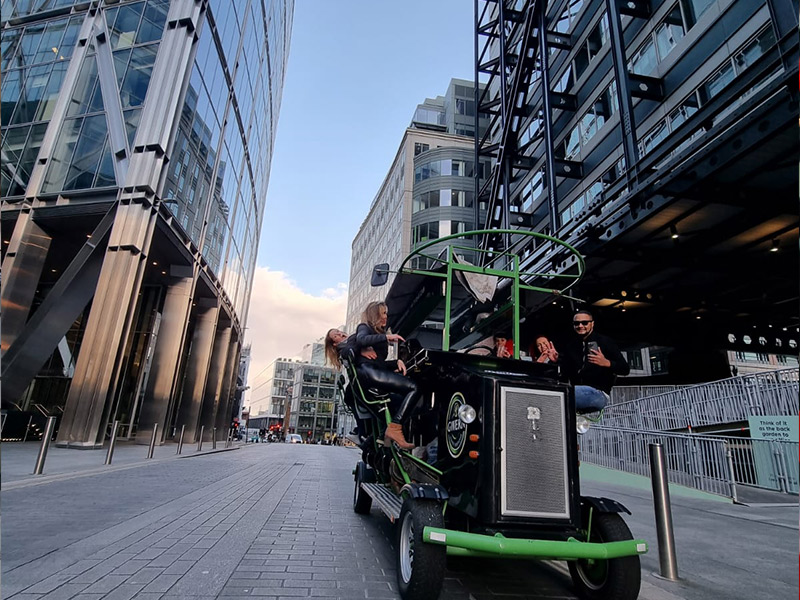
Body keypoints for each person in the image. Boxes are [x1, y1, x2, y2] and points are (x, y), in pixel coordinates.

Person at [324, 301, 419, 449]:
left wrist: (396, 363)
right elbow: (357, 343)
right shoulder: (362, 330)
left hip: (372, 373)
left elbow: (378, 362)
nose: (386, 316)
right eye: (383, 313)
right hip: (368, 376)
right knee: (413, 387)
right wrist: (385, 339)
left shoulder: (366, 337)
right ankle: (392, 429)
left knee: (402, 400)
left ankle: (382, 438)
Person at [551, 310, 630, 412]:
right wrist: (557, 360)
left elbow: (625, 369)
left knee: (562, 395)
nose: (580, 326)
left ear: (592, 324)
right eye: (576, 323)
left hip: (598, 393)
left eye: (584, 323)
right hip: (575, 390)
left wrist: (607, 363)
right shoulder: (571, 346)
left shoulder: (605, 342)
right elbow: (565, 374)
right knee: (557, 394)